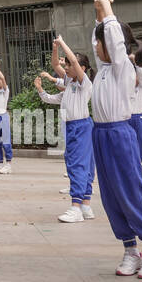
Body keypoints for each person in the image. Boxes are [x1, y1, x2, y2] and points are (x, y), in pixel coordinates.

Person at [91, 0, 142, 279]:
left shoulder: (124, 67)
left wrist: (107, 10)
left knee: (130, 193)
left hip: (119, 134)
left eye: (100, 43)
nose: (96, 46)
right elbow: (100, 34)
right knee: (111, 197)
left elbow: (113, 38)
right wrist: (98, 11)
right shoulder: (103, 70)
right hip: (100, 135)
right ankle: (129, 250)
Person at [36, 35, 94, 222]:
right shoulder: (69, 84)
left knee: (78, 165)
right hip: (72, 127)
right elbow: (55, 66)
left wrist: (62, 43)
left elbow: (74, 63)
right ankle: (85, 205)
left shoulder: (85, 83)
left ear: (81, 68)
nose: (66, 67)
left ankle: (76, 207)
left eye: (69, 65)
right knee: (80, 165)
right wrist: (55, 48)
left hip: (81, 127)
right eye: (66, 65)